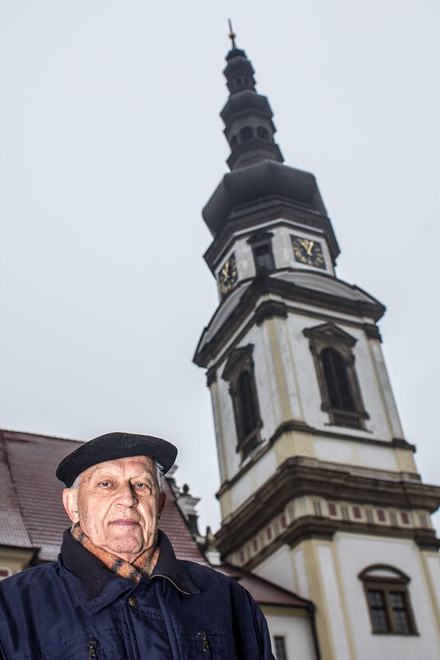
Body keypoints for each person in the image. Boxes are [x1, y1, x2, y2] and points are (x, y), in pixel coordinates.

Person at [0, 432, 275, 659]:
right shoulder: (10, 607)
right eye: (106, 484)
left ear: (160, 504)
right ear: (73, 505)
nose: (128, 499)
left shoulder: (228, 599)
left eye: (141, 485)